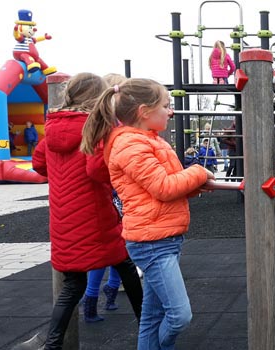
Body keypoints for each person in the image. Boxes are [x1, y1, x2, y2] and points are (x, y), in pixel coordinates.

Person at [80, 78, 215, 348]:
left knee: (151, 316)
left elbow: (160, 186)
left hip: (164, 236)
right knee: (179, 315)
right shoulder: (130, 145)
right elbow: (164, 187)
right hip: (152, 242)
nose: (171, 111)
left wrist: (192, 186)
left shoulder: (148, 140)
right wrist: (199, 171)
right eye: (166, 106)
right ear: (144, 111)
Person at [31, 73, 143, 348]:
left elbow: (39, 165)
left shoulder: (52, 129)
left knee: (73, 285)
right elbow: (97, 169)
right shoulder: (95, 128)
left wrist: (62, 175)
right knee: (126, 265)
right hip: (94, 213)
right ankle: (147, 325)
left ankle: (53, 344)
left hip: (63, 216)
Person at [82, 72, 130, 324]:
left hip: (102, 195)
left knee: (110, 249)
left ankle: (100, 294)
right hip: (113, 193)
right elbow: (97, 167)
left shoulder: (94, 124)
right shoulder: (115, 128)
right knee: (115, 249)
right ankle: (103, 292)